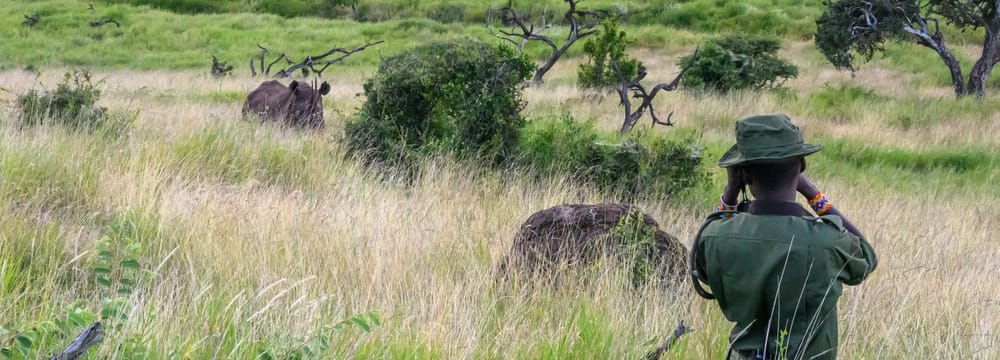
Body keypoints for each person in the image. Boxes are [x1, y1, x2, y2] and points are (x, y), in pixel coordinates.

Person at [690, 114, 878, 360]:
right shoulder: (826, 240)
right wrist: (811, 193)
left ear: (742, 174)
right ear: (801, 166)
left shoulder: (715, 236)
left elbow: (701, 261)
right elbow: (866, 256)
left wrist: (730, 192)